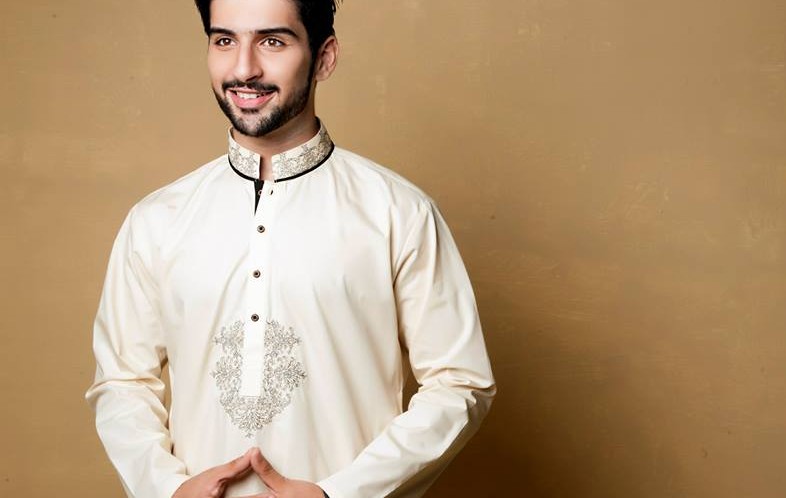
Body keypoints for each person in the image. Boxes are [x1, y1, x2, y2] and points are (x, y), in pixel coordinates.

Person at [84, 0, 496, 497]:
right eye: (224, 40)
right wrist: (166, 489)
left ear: (324, 57)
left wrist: (340, 493)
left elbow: (459, 383)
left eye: (272, 41)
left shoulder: (398, 212)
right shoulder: (157, 220)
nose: (244, 68)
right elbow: (122, 381)